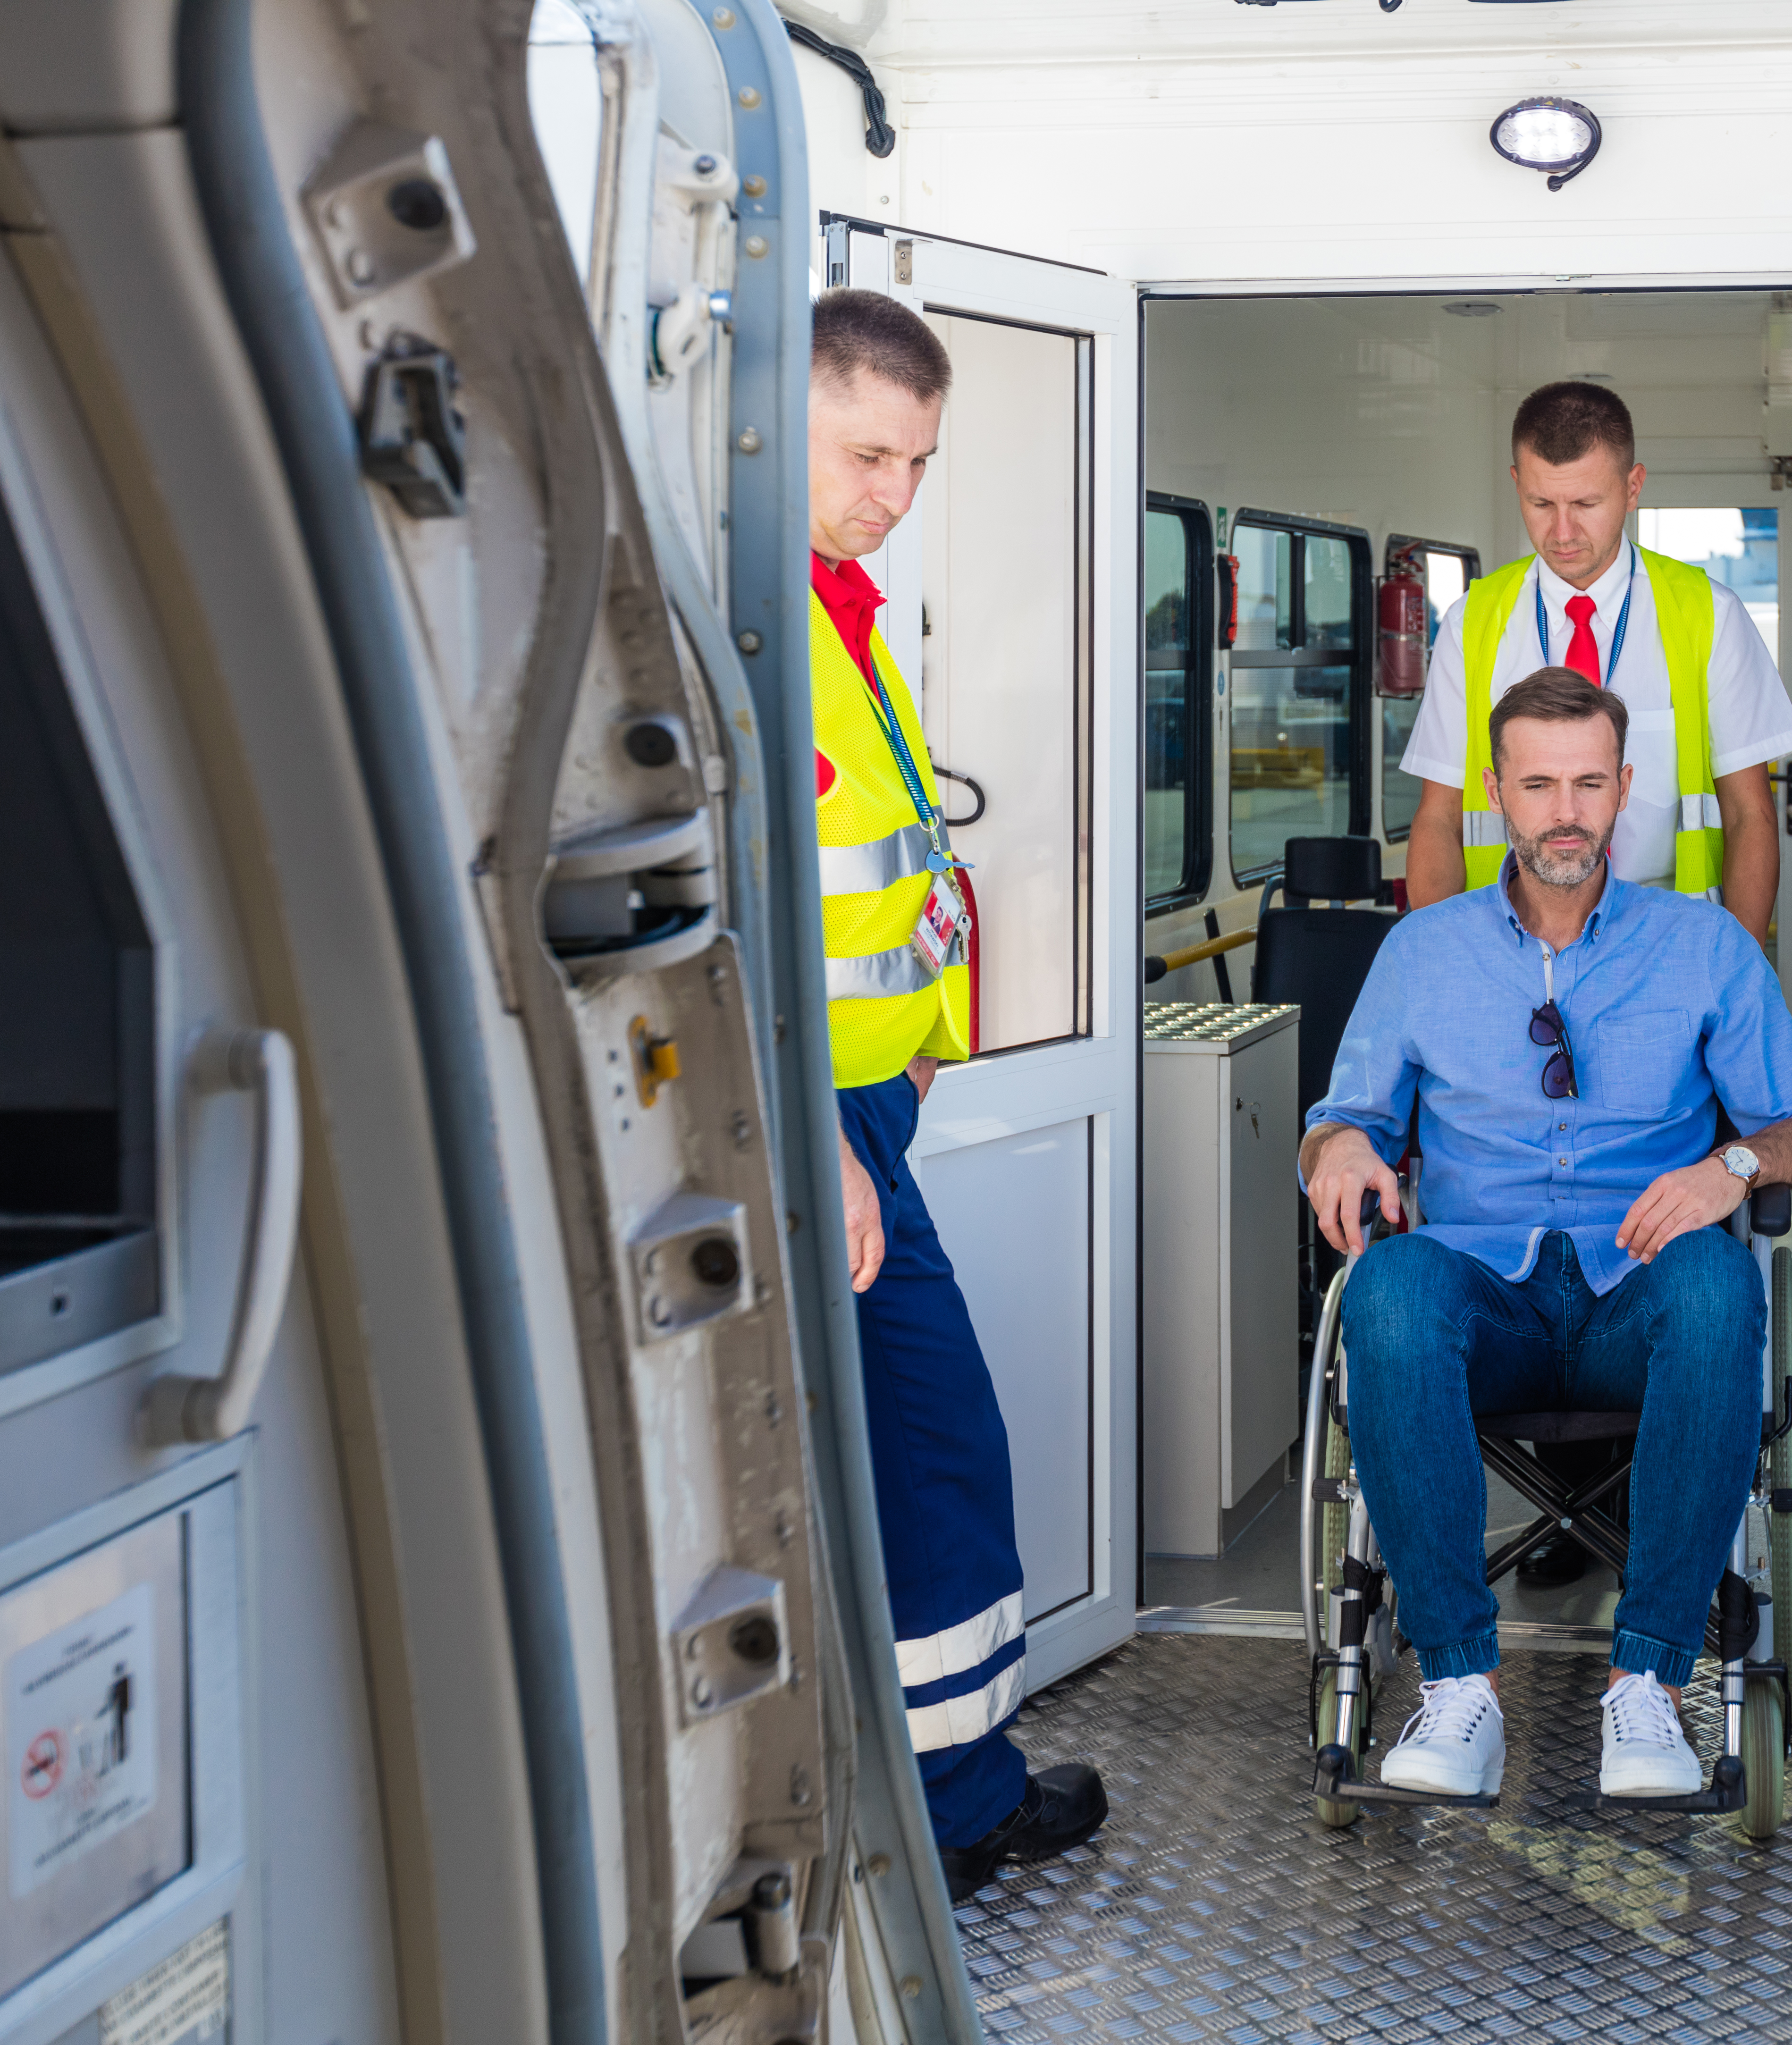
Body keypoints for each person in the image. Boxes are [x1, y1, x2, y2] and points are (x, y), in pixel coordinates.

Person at [1299, 670, 1792, 1799]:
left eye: (1589, 783)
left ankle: (1648, 1683)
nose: (1566, 810)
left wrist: (1730, 1164)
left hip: (1634, 1297)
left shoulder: (1701, 948)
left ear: (1625, 790)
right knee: (1386, 1288)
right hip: (1480, 1300)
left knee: (1714, 1283)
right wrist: (1342, 1151)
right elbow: (1337, 1122)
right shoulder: (1422, 951)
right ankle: (1460, 1688)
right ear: (1496, 790)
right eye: (1539, 782)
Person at [1396, 381, 1792, 1586]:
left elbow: (1746, 816)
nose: (1560, 528)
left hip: (1664, 991)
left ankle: (1646, 1509)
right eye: (1537, 502)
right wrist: (1439, 977)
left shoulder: (1699, 614)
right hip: (1500, 989)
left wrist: (1716, 975)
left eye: (1582, 502)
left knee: (1668, 1243)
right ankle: (1572, 1511)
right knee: (1513, 1217)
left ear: (1632, 488)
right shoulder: (1474, 623)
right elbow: (1434, 819)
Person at [806, 287, 1106, 1895]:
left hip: (869, 1106)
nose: (892, 495)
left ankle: (935, 1790)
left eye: (917, 464)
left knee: (909, 1452)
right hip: (810, 1124)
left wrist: (924, 1042)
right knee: (936, 1446)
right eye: (866, 454)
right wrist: (818, 1134)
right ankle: (953, 1808)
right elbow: (725, 914)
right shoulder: (751, 629)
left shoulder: (838, 615)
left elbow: (878, 870)